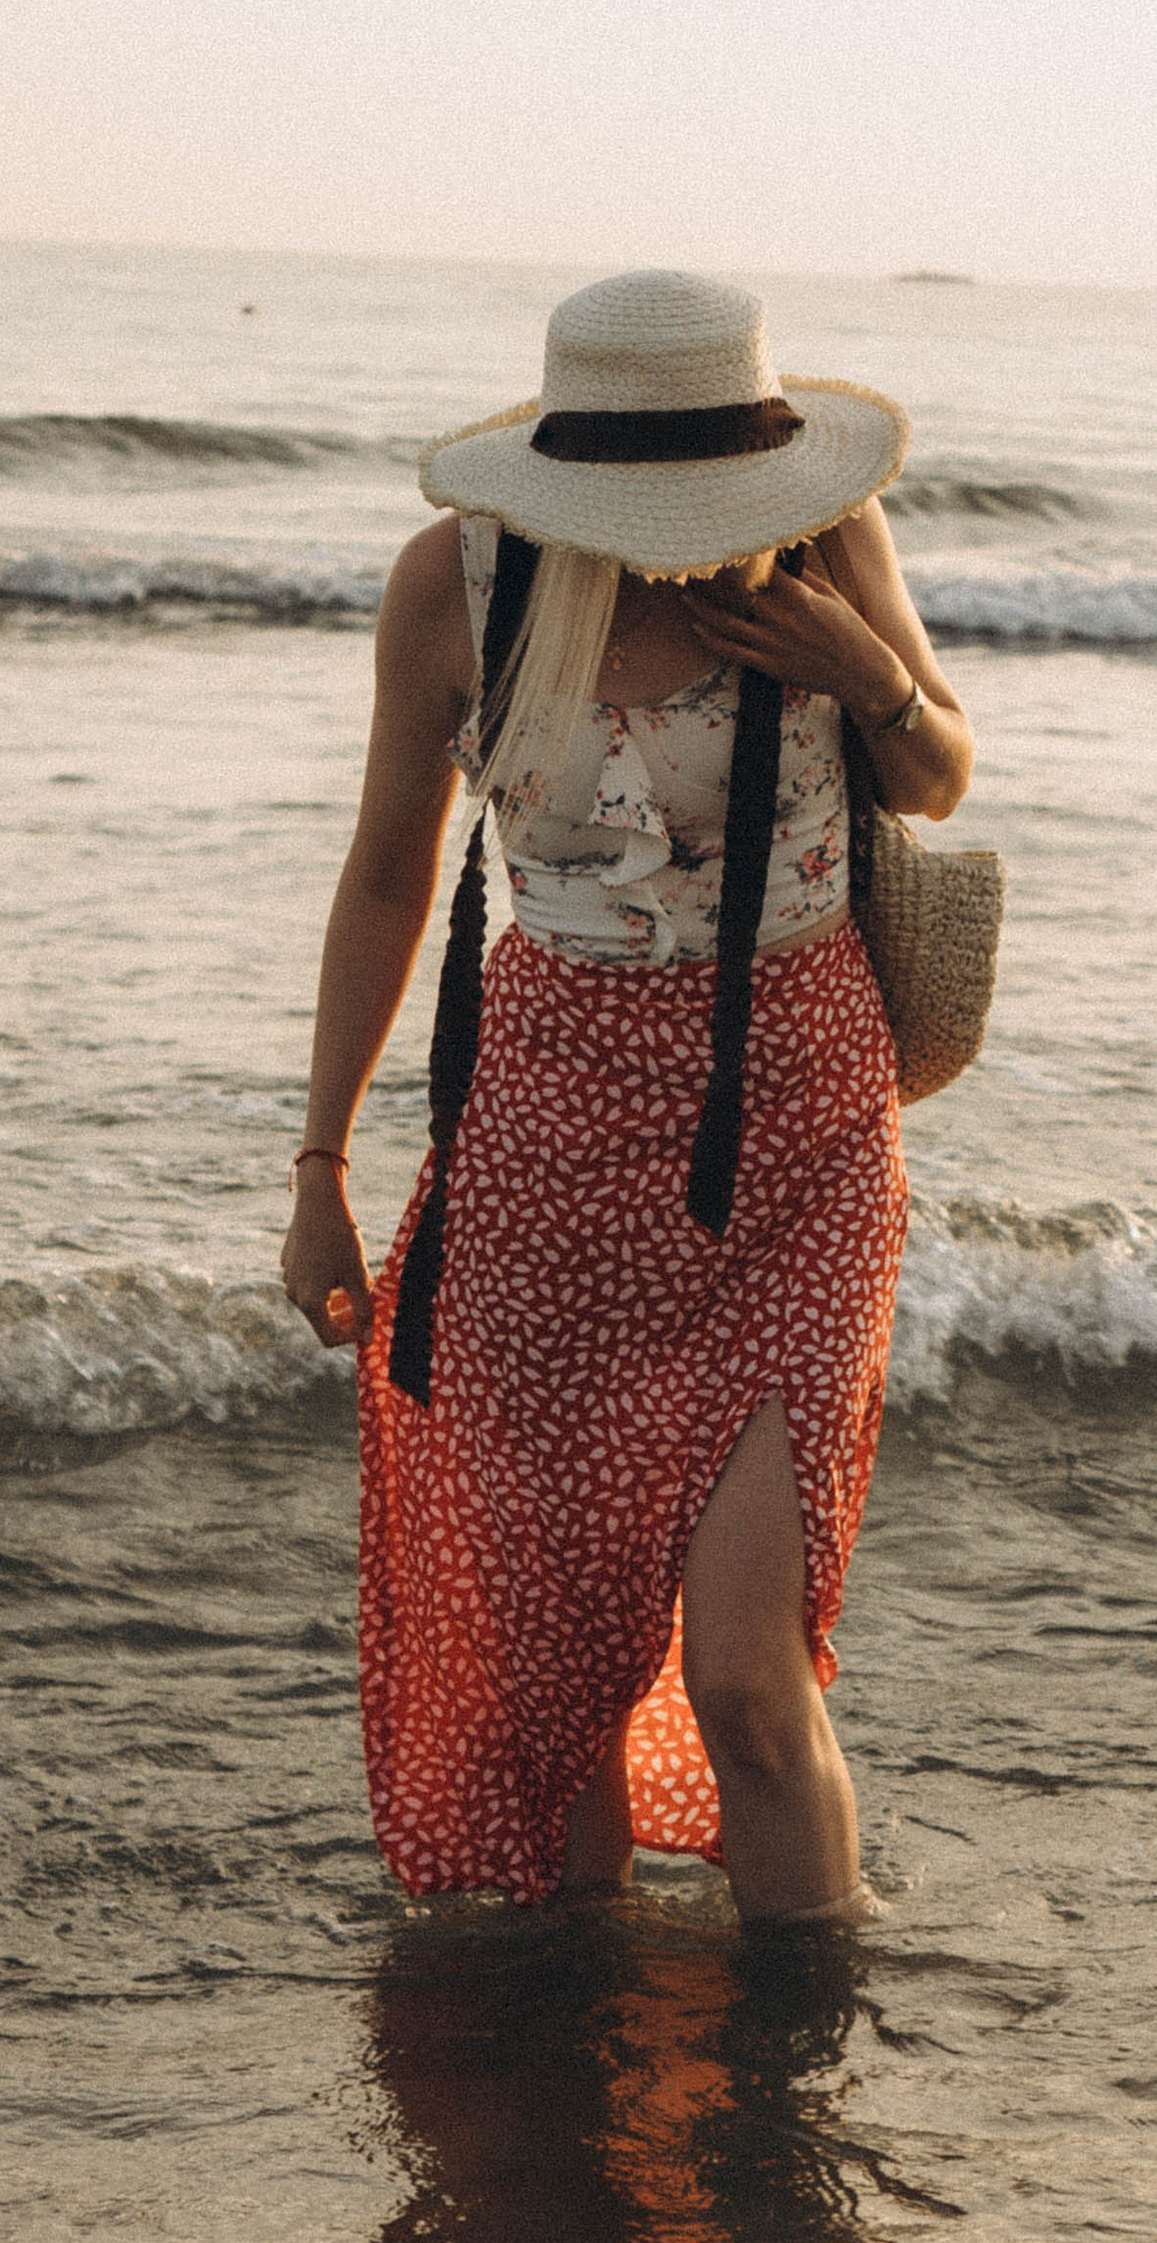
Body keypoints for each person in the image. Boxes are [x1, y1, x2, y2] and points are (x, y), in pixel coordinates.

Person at [280, 270, 972, 1920]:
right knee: (554, 1683)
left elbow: (938, 773)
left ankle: (808, 2083)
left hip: (795, 1136)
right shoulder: (455, 589)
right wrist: (320, 1162)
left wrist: (857, 664)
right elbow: (385, 873)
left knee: (748, 1682)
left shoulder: (829, 549)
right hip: (544, 1138)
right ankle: (567, 2077)